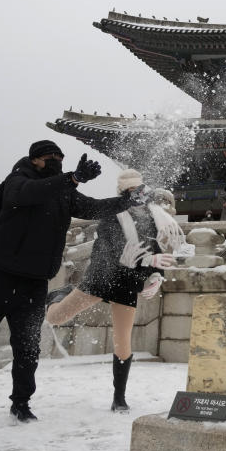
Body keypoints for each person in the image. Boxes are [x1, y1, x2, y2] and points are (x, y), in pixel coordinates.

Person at [0, 140, 136, 423]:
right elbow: (28, 194)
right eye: (52, 157)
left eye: (61, 158)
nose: (58, 161)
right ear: (35, 159)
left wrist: (125, 202)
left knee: (27, 347)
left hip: (35, 282)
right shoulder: (17, 181)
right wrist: (72, 178)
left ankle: (21, 403)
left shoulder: (63, 192)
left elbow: (92, 208)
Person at [45, 169, 183, 412]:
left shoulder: (153, 217)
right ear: (122, 193)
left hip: (127, 283)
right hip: (101, 277)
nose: (137, 196)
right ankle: (60, 294)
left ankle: (119, 397)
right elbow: (115, 250)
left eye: (139, 191)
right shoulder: (111, 215)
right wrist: (148, 262)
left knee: (123, 342)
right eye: (130, 192)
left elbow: (158, 250)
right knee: (55, 317)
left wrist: (156, 276)